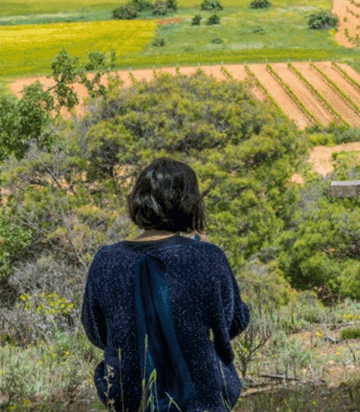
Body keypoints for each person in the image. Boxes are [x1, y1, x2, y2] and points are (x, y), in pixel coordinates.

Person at [81, 158, 251, 412]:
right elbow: (233, 322)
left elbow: (97, 334)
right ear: (190, 203)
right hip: (201, 402)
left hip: (130, 401)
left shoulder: (105, 260)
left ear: (138, 200)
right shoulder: (208, 257)